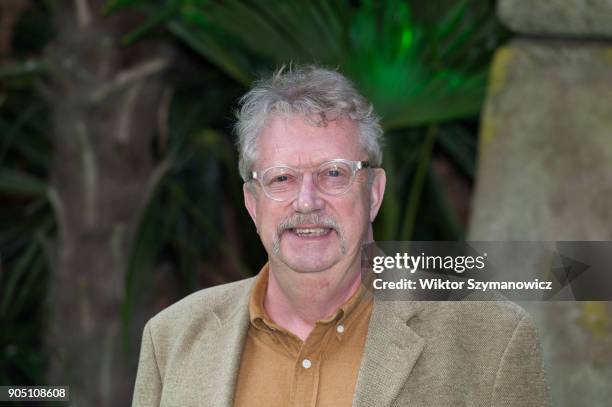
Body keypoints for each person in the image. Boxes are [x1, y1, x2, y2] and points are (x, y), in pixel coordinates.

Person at [131, 66, 549, 406]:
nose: (307, 202)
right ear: (252, 203)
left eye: (334, 173)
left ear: (375, 193)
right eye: (282, 178)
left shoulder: (490, 339)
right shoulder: (171, 339)